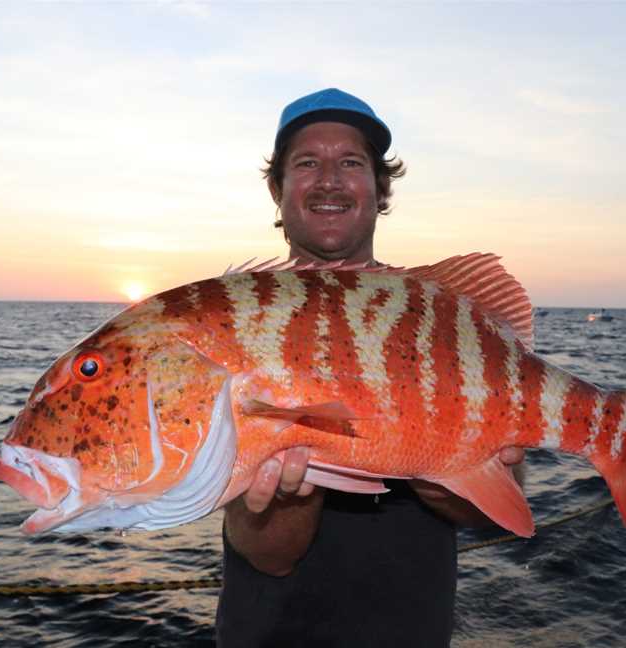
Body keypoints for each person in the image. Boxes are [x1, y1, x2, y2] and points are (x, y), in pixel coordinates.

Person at [215, 88, 526, 647]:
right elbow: (269, 555)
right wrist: (290, 493)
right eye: (307, 163)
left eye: (351, 163)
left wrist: (434, 457)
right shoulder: (237, 323)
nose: (329, 179)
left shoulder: (442, 315)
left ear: (381, 190)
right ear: (278, 190)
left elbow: (498, 508)